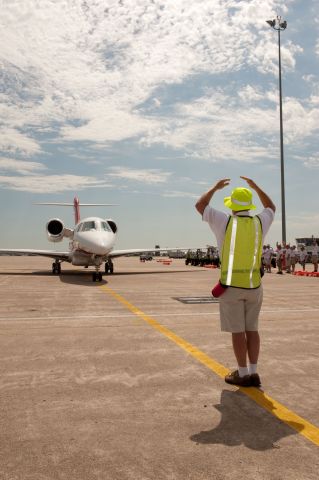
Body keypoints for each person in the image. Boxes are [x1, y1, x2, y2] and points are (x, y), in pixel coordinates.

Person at [195, 176, 275, 387]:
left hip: (230, 286)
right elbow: (271, 207)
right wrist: (257, 187)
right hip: (254, 285)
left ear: (232, 206)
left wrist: (214, 187)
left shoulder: (224, 221)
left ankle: (242, 373)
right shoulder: (260, 222)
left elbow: (200, 205)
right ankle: (254, 371)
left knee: (238, 331)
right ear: (249, 205)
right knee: (253, 330)